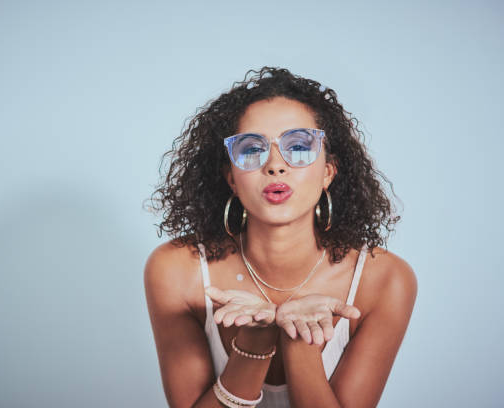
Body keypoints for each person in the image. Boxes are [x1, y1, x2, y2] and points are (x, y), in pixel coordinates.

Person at [144, 67, 417, 408]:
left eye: (299, 146)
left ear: (328, 172)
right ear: (231, 178)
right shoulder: (176, 270)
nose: (275, 165)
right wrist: (255, 344)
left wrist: (299, 340)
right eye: (251, 148)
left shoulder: (385, 280)